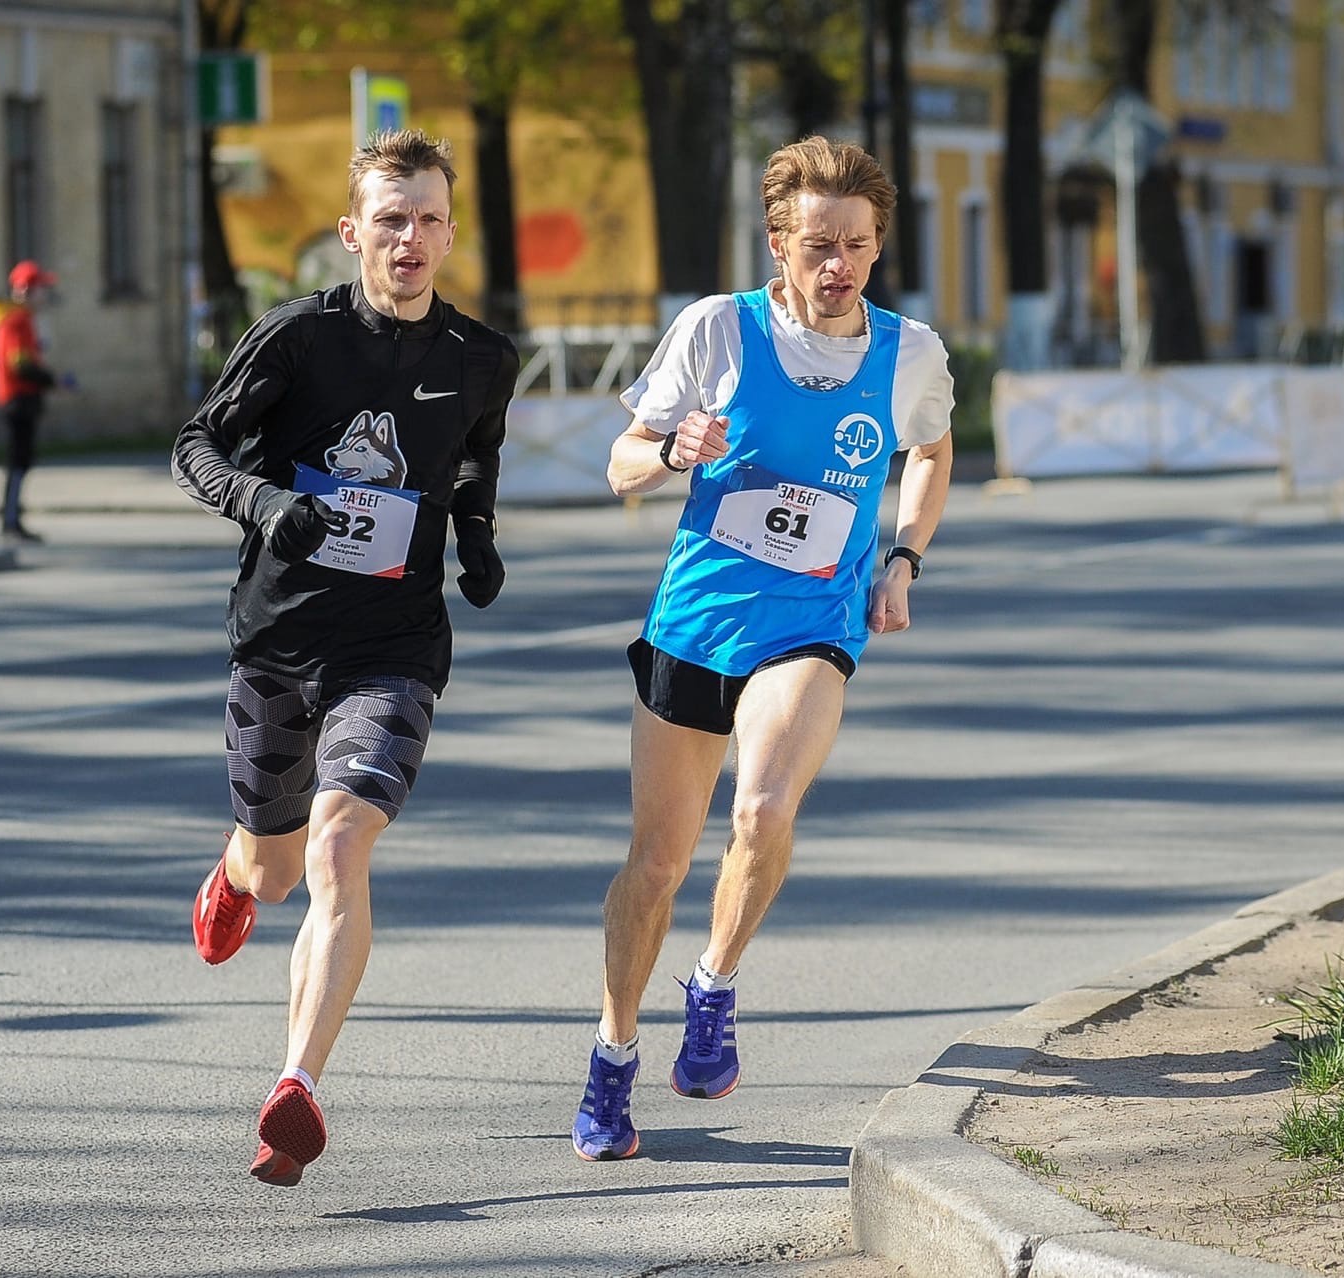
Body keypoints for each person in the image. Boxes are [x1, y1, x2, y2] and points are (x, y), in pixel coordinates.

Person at [571, 135, 955, 1161]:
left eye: (860, 246)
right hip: (697, 620)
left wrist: (905, 555)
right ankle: (613, 1058)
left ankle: (715, 985)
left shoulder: (907, 351)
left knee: (764, 807)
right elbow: (617, 466)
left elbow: (931, 449)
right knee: (655, 865)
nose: (841, 266)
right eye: (820, 244)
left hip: (812, 624)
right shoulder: (718, 331)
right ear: (779, 242)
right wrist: (666, 449)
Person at [172, 129, 518, 1188]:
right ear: (352, 232)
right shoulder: (295, 340)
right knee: (276, 866)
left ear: (451, 232)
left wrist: (476, 541)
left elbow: (471, 460)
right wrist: (267, 499)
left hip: (395, 649)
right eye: (389, 219)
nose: (409, 239)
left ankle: (296, 1088)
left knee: (337, 850)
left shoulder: (479, 359)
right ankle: (234, 872)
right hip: (279, 640)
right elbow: (196, 446)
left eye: (427, 219)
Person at [0, 260, 62, 542]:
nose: (45, 295)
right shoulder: (16, 321)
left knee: (21, 460)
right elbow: (20, 364)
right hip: (19, 398)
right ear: (27, 290)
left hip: (19, 397)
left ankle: (12, 517)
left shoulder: (16, 319)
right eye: (42, 288)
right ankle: (10, 521)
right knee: (18, 460)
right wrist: (51, 380)